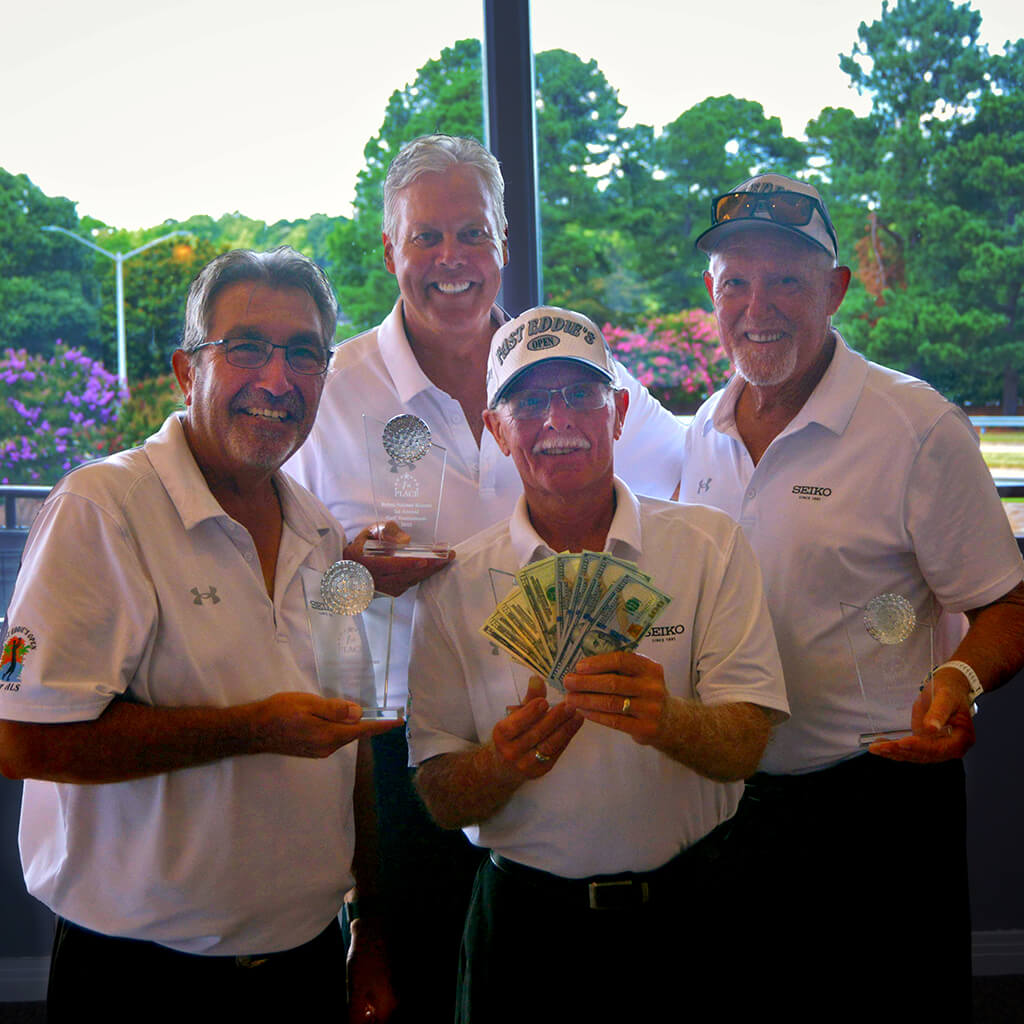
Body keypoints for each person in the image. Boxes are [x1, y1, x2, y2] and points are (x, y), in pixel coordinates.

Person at [284, 134, 687, 1017]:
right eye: (427, 238)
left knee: (554, 988)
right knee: (418, 986)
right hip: (395, 747)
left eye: (473, 234)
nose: (452, 260)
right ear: (390, 250)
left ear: (505, 245)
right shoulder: (331, 392)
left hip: (563, 729)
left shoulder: (566, 379)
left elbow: (695, 471)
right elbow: (268, 563)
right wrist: (348, 571)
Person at [0, 248, 398, 1024]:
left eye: (304, 354)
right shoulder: (104, 509)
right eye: (246, 347)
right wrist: (251, 730)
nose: (277, 381)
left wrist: (372, 926)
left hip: (307, 962)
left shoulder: (317, 531)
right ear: (188, 370)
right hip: (142, 982)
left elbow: (349, 742)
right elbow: (23, 741)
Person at [680, 173, 1024, 1017]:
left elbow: (1007, 606)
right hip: (725, 807)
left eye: (787, 280)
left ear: (834, 289)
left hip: (875, 810)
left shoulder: (917, 426)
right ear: (712, 297)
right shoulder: (700, 431)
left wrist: (960, 681)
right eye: (736, 284)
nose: (758, 306)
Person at [406, 306, 789, 1022]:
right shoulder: (456, 584)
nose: (559, 419)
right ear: (496, 429)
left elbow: (748, 744)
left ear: (617, 412)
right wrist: (501, 764)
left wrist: (667, 720)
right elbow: (438, 791)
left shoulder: (710, 547)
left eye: (580, 394)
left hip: (691, 910)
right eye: (529, 400)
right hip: (522, 929)